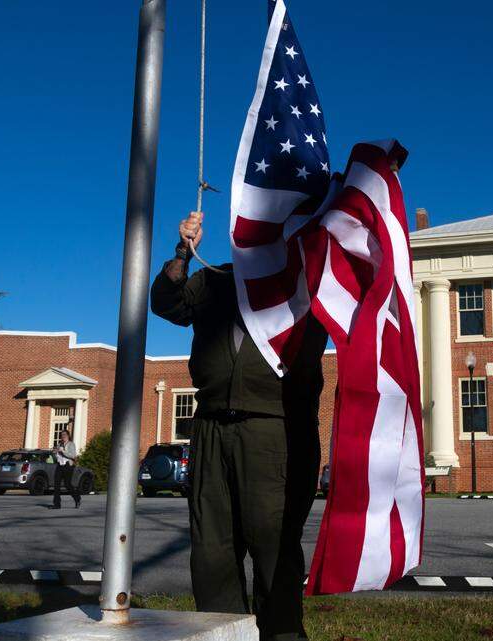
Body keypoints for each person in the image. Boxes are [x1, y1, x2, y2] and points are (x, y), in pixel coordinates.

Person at [151, 211, 326, 641]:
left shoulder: (305, 282)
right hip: (210, 427)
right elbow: (167, 303)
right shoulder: (216, 280)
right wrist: (183, 250)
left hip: (273, 430)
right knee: (212, 551)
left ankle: (283, 634)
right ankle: (222, 633)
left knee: (274, 547)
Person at [51, 429, 80, 509]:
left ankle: (77, 498)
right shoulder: (59, 444)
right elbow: (55, 457)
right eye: (62, 435)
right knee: (56, 484)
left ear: (68, 436)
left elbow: (73, 456)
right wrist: (54, 453)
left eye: (65, 435)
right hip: (59, 465)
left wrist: (63, 451)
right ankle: (57, 504)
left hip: (68, 465)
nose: (63, 436)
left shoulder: (71, 444)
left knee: (67, 484)